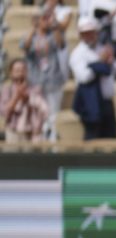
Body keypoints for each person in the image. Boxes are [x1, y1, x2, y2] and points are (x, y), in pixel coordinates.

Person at [69, 16, 116, 140]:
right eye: (85, 33)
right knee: (93, 138)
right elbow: (84, 77)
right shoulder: (77, 54)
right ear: (80, 35)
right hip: (90, 102)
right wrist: (100, 62)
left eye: (91, 32)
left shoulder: (102, 48)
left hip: (107, 101)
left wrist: (111, 60)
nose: (89, 36)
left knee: (111, 138)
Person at [22, 11, 68, 141]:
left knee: (53, 115)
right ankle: (38, 142)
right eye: (43, 18)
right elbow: (25, 46)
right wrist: (34, 28)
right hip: (35, 82)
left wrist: (54, 26)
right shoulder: (29, 35)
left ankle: (52, 142)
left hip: (53, 81)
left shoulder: (53, 35)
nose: (45, 21)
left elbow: (61, 45)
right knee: (37, 114)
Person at [0, 59, 49, 143]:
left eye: (23, 70)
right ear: (11, 73)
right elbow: (4, 112)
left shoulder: (36, 89)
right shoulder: (6, 90)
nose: (20, 73)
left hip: (31, 134)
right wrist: (16, 97)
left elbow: (45, 110)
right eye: (17, 70)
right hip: (13, 133)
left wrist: (28, 98)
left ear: (26, 72)